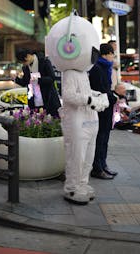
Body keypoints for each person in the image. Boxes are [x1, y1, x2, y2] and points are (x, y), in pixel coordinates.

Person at [46, 12, 109, 205]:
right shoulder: (70, 73)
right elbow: (69, 96)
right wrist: (90, 99)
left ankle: (83, 183)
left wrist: (98, 97)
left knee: (88, 156)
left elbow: (85, 93)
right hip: (77, 121)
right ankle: (72, 188)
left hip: (89, 120)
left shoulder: (83, 73)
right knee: (76, 156)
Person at [89, 43, 118, 180]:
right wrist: (114, 96)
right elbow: (101, 90)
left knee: (105, 138)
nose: (113, 56)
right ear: (106, 54)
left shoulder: (106, 67)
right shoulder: (98, 68)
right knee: (100, 139)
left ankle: (103, 164)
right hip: (101, 108)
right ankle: (97, 168)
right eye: (112, 53)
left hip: (107, 106)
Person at [15, 48, 61, 117]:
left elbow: (52, 78)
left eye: (24, 62)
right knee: (37, 122)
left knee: (53, 121)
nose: (24, 64)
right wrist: (16, 79)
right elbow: (26, 82)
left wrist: (38, 80)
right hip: (34, 101)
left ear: (28, 56)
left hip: (48, 98)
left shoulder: (44, 61)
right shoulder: (26, 68)